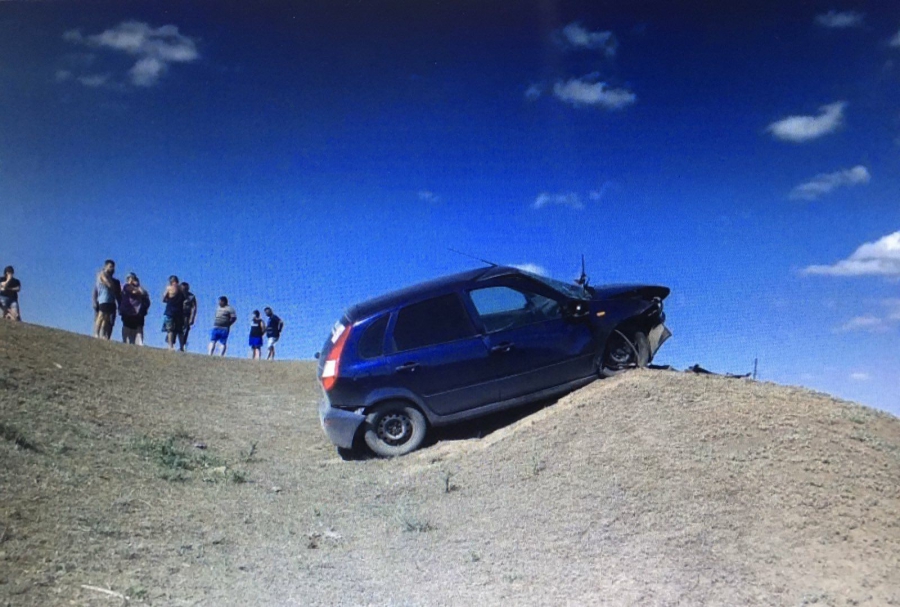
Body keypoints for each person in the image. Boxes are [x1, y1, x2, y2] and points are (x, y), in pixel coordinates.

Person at [92, 260, 121, 339]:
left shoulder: (111, 278)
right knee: (101, 315)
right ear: (106, 266)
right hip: (103, 299)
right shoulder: (102, 274)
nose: (112, 269)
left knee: (106, 318)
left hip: (110, 299)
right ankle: (96, 333)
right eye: (110, 266)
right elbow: (108, 284)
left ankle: (103, 334)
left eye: (113, 267)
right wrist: (111, 285)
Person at [119, 273, 150, 345]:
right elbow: (134, 292)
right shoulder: (126, 286)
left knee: (137, 327)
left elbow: (143, 293)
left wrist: (138, 286)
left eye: (134, 278)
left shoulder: (139, 287)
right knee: (127, 326)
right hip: (128, 309)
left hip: (138, 310)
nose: (133, 280)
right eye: (131, 278)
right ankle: (124, 340)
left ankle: (137, 342)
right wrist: (137, 290)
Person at [161, 275, 185, 351]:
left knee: (170, 329)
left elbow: (164, 299)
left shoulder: (169, 288)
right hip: (179, 311)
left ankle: (170, 346)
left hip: (170, 311)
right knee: (180, 331)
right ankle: (181, 347)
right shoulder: (181, 289)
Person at [178, 281, 198, 352]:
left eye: (186, 289)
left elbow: (194, 307)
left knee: (185, 330)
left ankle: (182, 346)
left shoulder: (191, 296)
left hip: (186, 315)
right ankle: (170, 344)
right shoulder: (177, 295)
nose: (184, 290)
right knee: (174, 329)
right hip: (177, 314)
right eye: (182, 288)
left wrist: (192, 318)